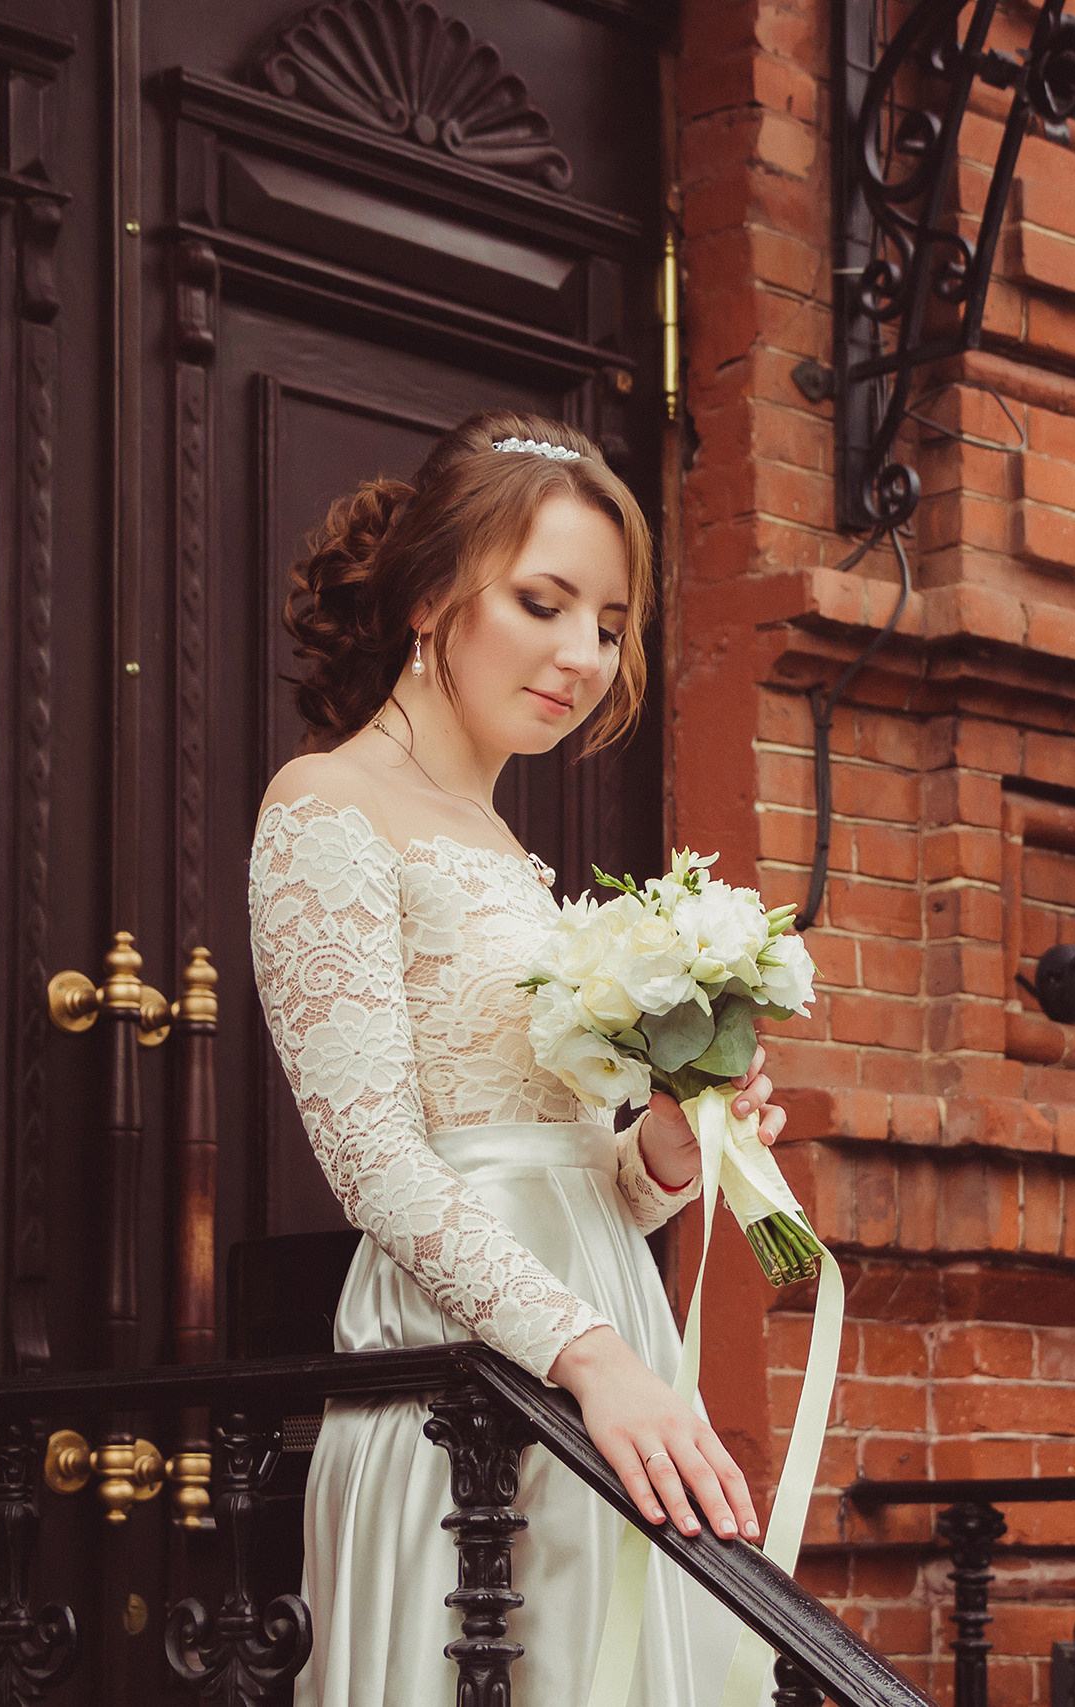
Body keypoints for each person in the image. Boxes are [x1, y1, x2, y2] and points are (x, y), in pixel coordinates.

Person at [246, 411, 783, 1707]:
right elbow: (376, 1159)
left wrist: (658, 1151)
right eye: (544, 603)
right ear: (432, 595)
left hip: (601, 1336)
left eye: (609, 623)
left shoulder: (511, 856)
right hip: (473, 1364)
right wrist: (589, 1358)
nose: (583, 655)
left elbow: (574, 1165)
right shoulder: (326, 805)